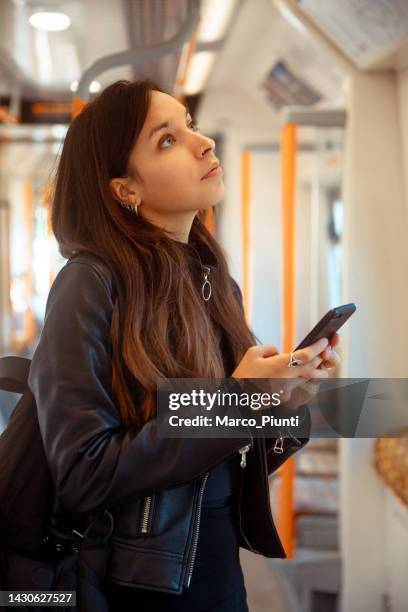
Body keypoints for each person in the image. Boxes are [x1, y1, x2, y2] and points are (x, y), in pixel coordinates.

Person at [28, 79, 340, 611]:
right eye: (166, 140)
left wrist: (282, 407)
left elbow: (222, 460)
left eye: (190, 126)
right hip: (135, 587)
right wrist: (240, 400)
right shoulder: (90, 285)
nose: (204, 143)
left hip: (215, 574)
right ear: (125, 188)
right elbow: (84, 473)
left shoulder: (214, 280)